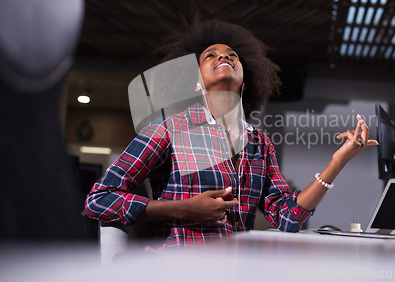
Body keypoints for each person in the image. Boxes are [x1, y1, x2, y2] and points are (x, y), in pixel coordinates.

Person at [85, 18, 378, 251]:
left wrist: (338, 161)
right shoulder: (168, 129)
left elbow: (288, 219)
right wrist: (182, 209)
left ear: (245, 82)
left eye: (231, 55)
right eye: (210, 55)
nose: (222, 56)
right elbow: (98, 200)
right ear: (197, 82)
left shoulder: (260, 144)